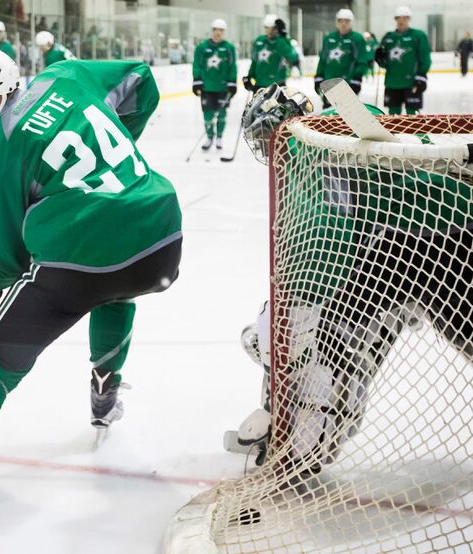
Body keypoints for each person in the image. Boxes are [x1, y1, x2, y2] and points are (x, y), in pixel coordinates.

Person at [0, 48, 182, 531]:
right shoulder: (65, 74)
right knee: (117, 283)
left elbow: (8, 260)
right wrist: (123, 146)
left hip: (80, 261)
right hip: (161, 239)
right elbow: (140, 77)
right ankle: (105, 386)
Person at [233, 84, 473, 475]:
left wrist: (288, 309)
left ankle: (312, 440)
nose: (263, 146)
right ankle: (313, 436)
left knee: (322, 335)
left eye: (264, 134)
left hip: (449, 238)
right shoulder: (335, 126)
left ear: (283, 124)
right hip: (406, 239)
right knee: (337, 334)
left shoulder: (308, 146)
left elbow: (326, 236)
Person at [374, 6, 431, 115]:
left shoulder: (418, 35)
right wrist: (379, 58)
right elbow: (385, 64)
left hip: (411, 83)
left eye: (404, 18)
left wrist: (421, 75)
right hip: (392, 83)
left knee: (413, 114)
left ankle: (418, 133)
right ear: (395, 19)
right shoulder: (388, 37)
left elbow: (425, 57)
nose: (401, 21)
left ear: (409, 19)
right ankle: (392, 133)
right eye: (398, 18)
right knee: (393, 115)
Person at [192, 19, 237, 151]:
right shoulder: (202, 47)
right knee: (207, 114)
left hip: (223, 88)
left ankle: (219, 138)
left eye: (221, 30)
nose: (218, 32)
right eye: (216, 30)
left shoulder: (229, 48)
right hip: (207, 87)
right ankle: (209, 137)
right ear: (212, 30)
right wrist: (197, 81)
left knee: (222, 114)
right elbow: (196, 64)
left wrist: (232, 82)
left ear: (224, 32)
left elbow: (232, 66)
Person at [314, 9, 367, 108]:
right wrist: (318, 77)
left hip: (347, 84)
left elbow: (362, 61)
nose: (343, 24)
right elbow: (323, 60)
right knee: (329, 116)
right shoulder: (329, 38)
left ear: (351, 22)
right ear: (336, 22)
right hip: (328, 83)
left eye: (346, 21)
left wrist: (357, 79)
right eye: (340, 21)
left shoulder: (357, 39)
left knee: (346, 116)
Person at [244, 14, 298, 93]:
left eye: (273, 28)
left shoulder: (281, 42)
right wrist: (250, 75)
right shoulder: (259, 40)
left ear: (277, 28)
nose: (270, 31)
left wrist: (282, 37)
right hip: (260, 84)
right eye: (267, 28)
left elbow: (292, 56)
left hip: (278, 84)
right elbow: (255, 61)